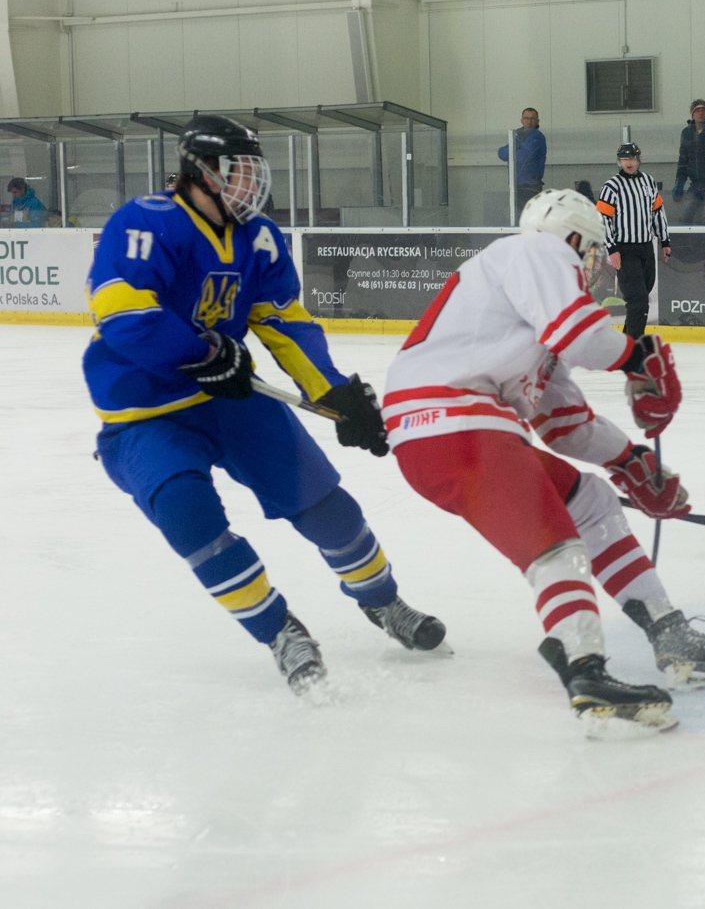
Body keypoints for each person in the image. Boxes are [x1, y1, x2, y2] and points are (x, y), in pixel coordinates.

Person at [82, 115, 444, 695]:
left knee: (325, 504)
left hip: (230, 395)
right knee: (187, 514)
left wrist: (330, 391)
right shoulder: (144, 222)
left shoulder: (260, 237)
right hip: (145, 408)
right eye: (238, 170)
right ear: (200, 171)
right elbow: (125, 314)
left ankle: (383, 601)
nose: (252, 183)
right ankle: (278, 631)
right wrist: (201, 352)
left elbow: (282, 319)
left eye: (254, 170)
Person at [382, 189, 705, 737]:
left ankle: (669, 632)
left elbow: (564, 425)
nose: (595, 264)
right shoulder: (536, 251)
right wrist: (636, 356)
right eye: (594, 249)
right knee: (554, 541)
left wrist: (629, 459)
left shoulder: (532, 319)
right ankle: (586, 673)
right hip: (454, 424)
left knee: (590, 502)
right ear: (572, 238)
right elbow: (583, 338)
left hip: (452, 430)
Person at [596, 143, 671, 339]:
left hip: (646, 248)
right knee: (638, 300)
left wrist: (664, 240)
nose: (628, 162)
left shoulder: (648, 182)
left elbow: (657, 212)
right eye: (624, 159)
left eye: (631, 158)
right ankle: (635, 345)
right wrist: (612, 248)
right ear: (619, 161)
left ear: (639, 159)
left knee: (642, 296)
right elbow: (603, 219)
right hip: (624, 250)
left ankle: (626, 343)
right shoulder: (611, 186)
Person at [496, 107, 548, 205]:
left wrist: (514, 148)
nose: (529, 121)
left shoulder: (537, 137)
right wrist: (517, 146)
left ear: (537, 121)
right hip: (516, 185)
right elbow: (502, 154)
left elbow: (522, 157)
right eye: (526, 118)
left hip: (531, 186)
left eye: (532, 118)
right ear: (522, 120)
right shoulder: (518, 135)